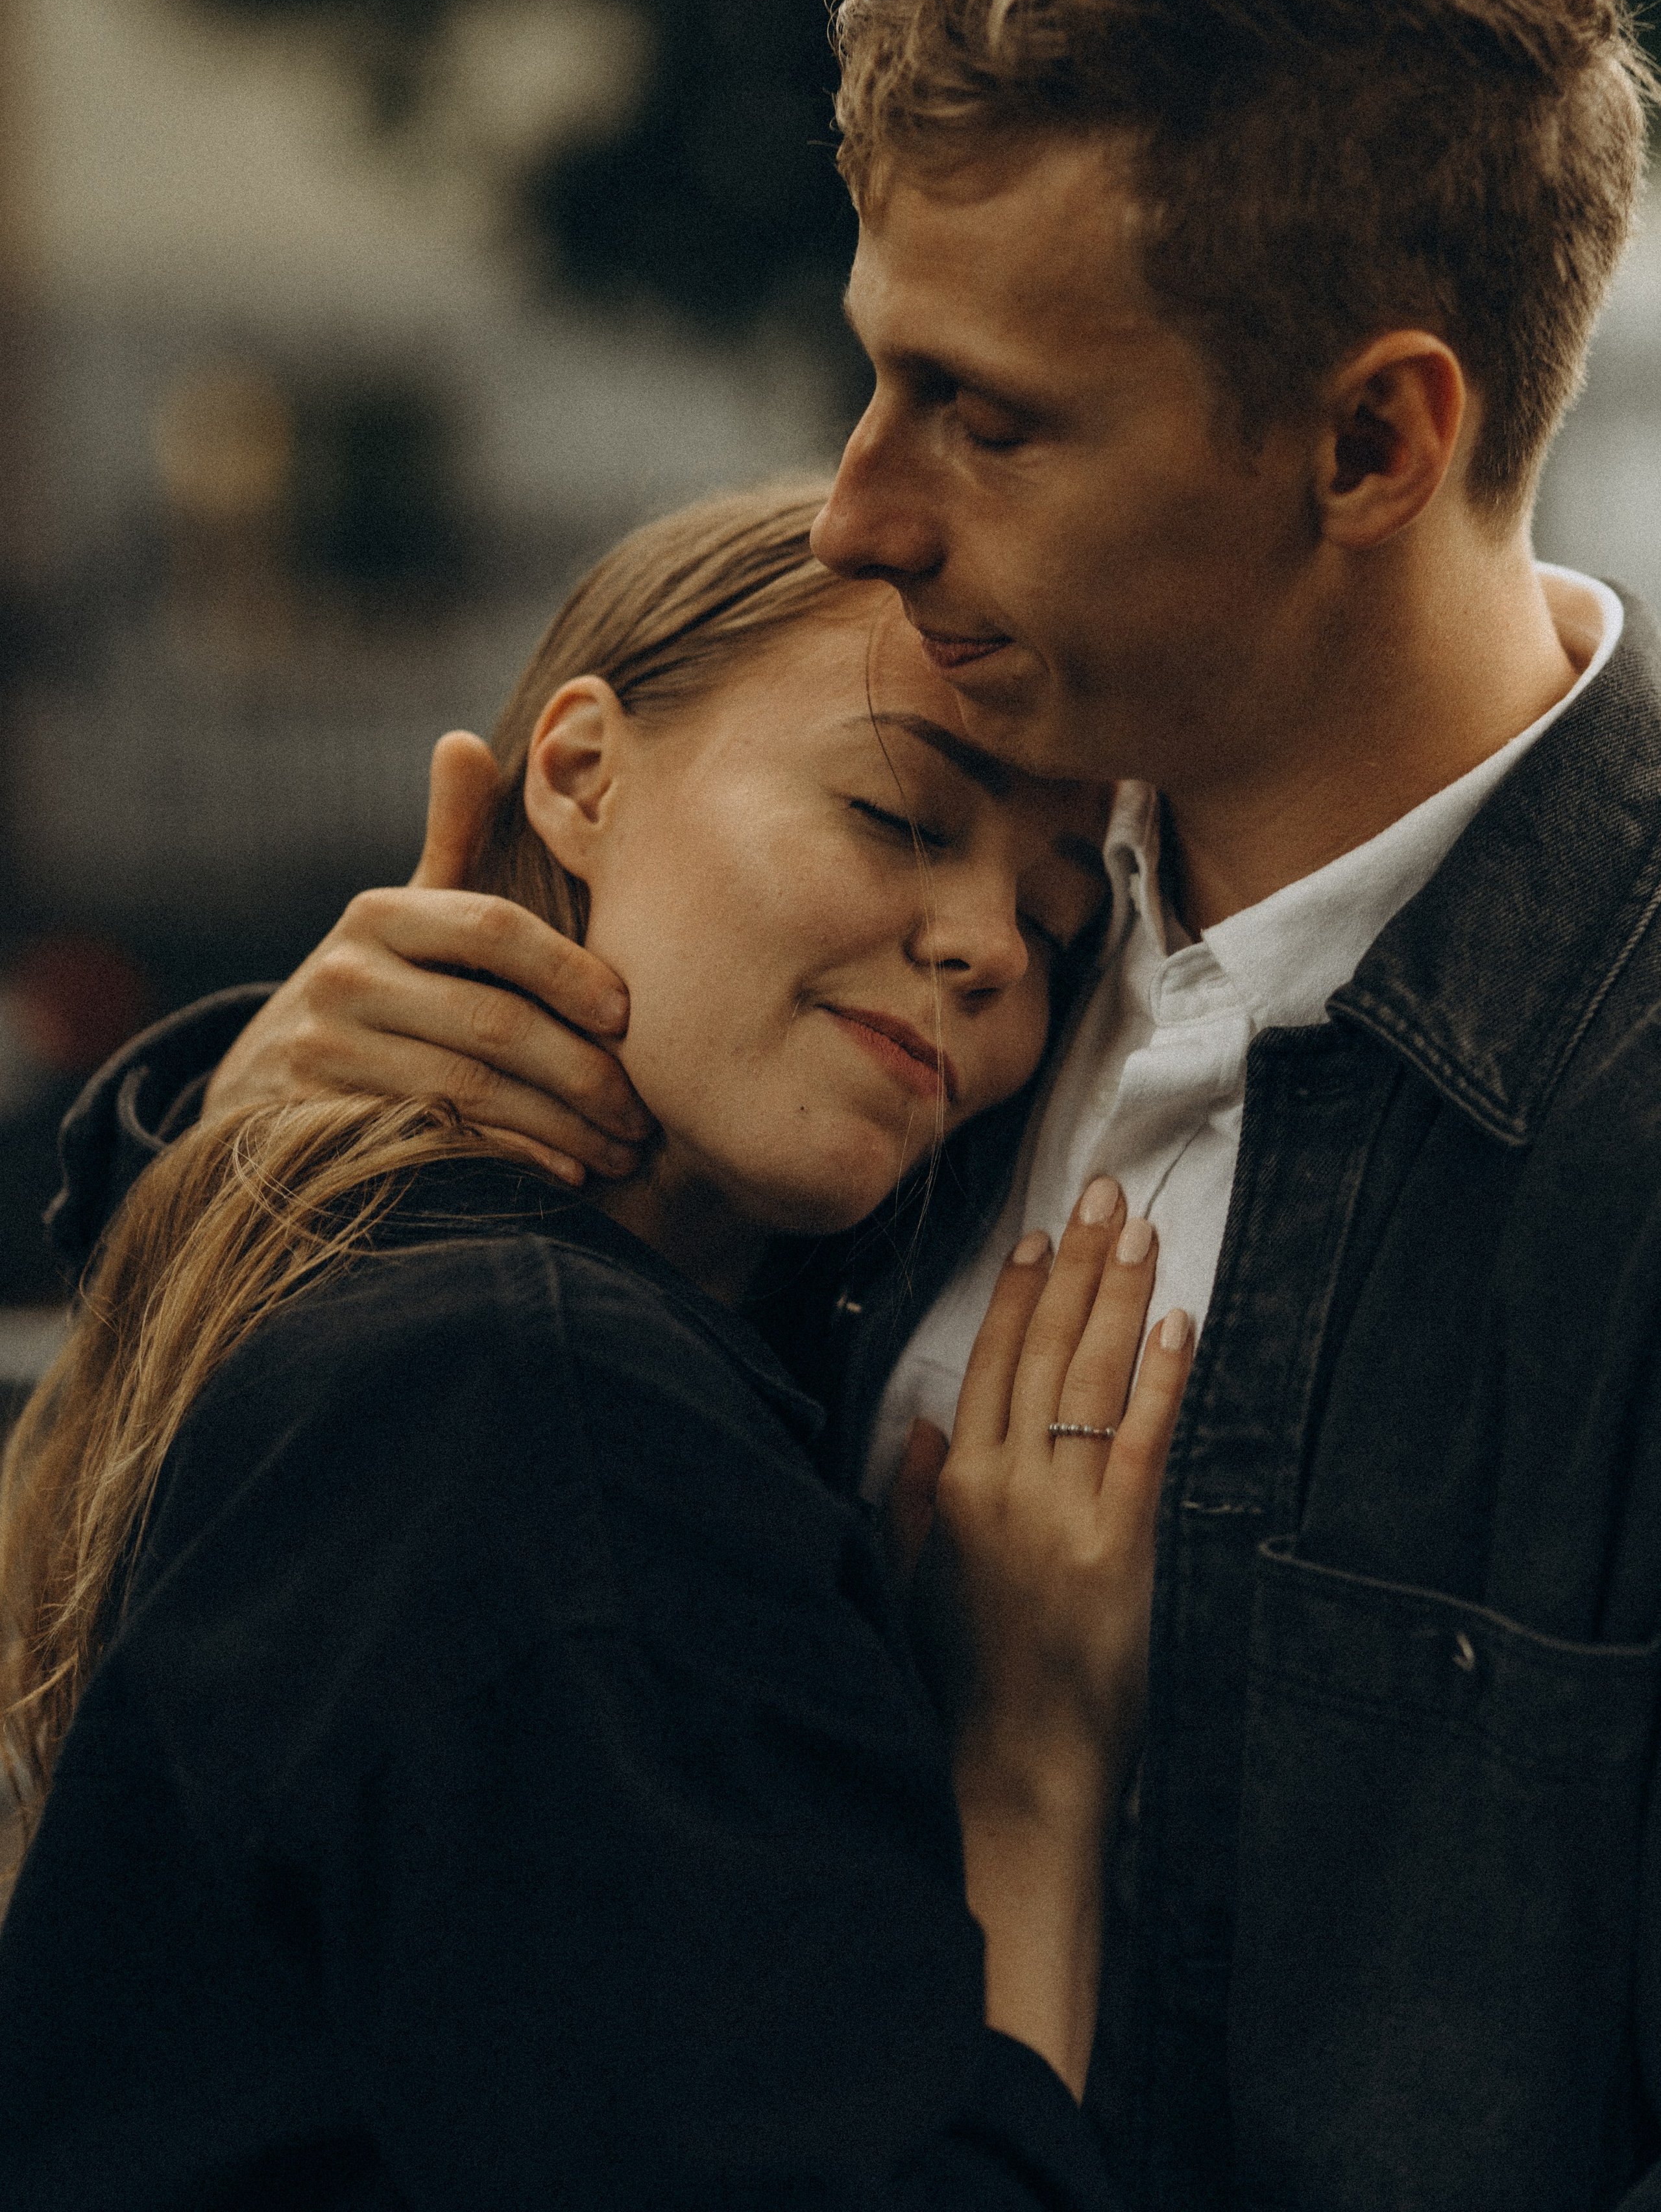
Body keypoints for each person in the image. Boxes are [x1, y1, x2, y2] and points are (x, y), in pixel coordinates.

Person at [43, 0, 1661, 2209]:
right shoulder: (927, 931)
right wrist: (287, 1126)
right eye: (877, 366)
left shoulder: (1616, 1139)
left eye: (986, 420)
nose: (863, 507)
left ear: (1369, 443)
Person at [0, 485, 1196, 2207]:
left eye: (1066, 926)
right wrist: (1030, 1763)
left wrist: (203, 1131)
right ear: (578, 772)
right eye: (897, 813)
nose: (989, 944)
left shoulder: (371, 1279)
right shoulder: (543, 1401)